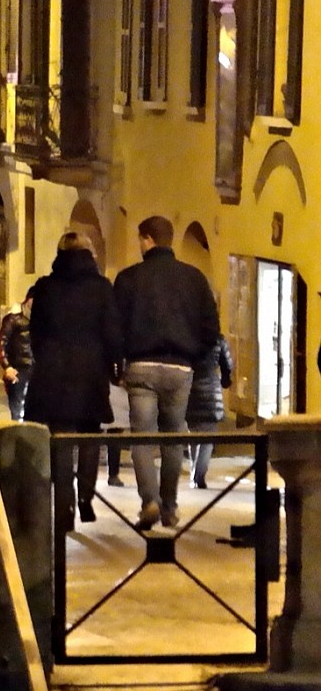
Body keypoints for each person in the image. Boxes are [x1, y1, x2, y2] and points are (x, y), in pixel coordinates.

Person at [111, 215, 222, 529]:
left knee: (143, 438)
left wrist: (118, 364)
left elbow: (115, 327)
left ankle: (149, 501)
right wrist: (195, 359)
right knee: (173, 438)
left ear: (147, 239)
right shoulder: (194, 278)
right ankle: (170, 507)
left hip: (141, 366)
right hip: (179, 368)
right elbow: (211, 329)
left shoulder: (129, 278)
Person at [25, 234, 121, 527]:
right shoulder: (102, 288)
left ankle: (64, 503)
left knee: (62, 439)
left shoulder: (45, 287)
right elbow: (112, 332)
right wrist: (114, 365)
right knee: (90, 437)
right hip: (90, 372)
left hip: (52, 373)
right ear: (89, 254)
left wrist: (45, 358)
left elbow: (36, 332)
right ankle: (86, 499)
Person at [189, 330, 234, 490]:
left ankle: (194, 472)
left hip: (191, 389)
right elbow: (227, 367)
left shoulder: (189, 335)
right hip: (211, 391)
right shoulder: (218, 339)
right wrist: (225, 381)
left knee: (193, 434)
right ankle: (199, 475)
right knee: (207, 437)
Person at [0, 301, 34, 420]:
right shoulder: (12, 319)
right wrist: (7, 367)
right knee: (18, 411)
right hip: (18, 370)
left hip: (37, 370)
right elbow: (0, 345)